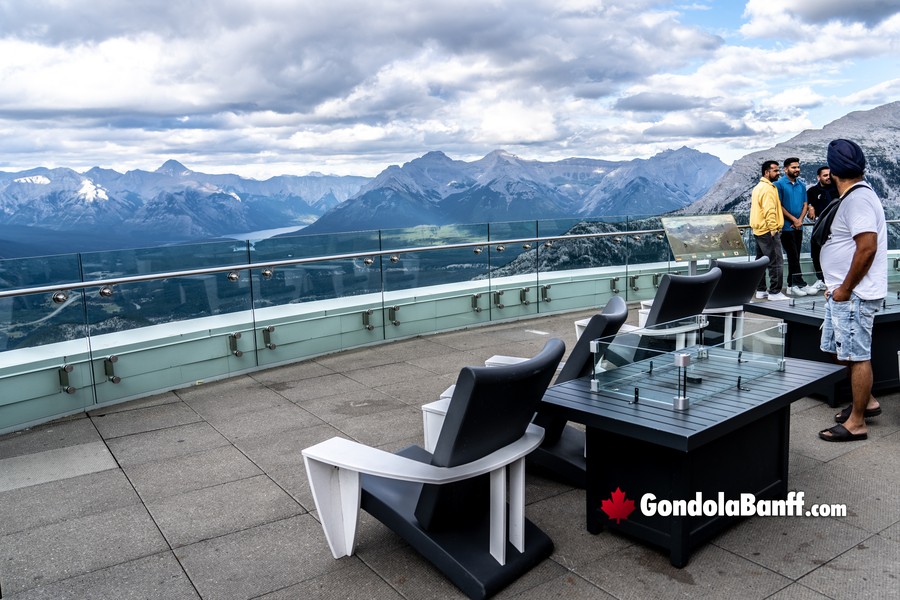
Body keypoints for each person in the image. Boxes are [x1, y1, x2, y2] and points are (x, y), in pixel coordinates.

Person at [818, 139, 886, 442]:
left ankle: (857, 422)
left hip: (854, 294)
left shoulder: (857, 200)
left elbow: (867, 248)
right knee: (844, 351)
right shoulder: (857, 195)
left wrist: (845, 288)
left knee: (857, 356)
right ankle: (866, 402)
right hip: (844, 292)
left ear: (832, 171)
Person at [775, 157, 817, 296]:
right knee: (792, 255)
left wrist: (799, 220)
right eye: (793, 167)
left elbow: (805, 204)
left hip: (798, 227)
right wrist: (794, 219)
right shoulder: (779, 184)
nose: (797, 169)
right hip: (786, 227)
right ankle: (800, 283)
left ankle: (791, 285)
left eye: (798, 167)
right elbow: (779, 205)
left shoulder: (801, 184)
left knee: (796, 256)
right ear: (786, 169)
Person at [750, 160, 788, 301]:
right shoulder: (768, 189)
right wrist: (773, 229)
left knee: (760, 261)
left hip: (758, 230)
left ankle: (760, 290)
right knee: (776, 261)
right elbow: (769, 211)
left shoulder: (758, 187)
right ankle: (774, 292)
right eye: (775, 170)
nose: (778, 173)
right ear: (767, 172)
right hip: (768, 230)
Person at [806, 166, 838, 291]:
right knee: (816, 252)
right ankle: (821, 280)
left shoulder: (838, 188)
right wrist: (810, 206)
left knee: (836, 253)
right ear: (818, 177)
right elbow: (806, 203)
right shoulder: (812, 191)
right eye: (825, 175)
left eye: (829, 174)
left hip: (837, 227)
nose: (828, 177)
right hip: (821, 227)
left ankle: (834, 281)